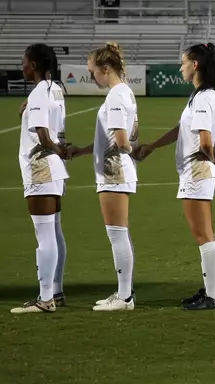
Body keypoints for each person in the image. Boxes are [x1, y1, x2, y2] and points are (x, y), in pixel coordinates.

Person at [133, 43, 215, 310]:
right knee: (204, 234)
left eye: (183, 62)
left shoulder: (204, 97)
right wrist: (152, 146)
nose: (180, 67)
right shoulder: (201, 96)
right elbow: (182, 130)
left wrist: (211, 158)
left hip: (197, 173)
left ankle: (212, 295)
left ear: (195, 65)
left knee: (203, 234)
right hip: (195, 173)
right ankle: (210, 290)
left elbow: (206, 140)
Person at [68, 42, 139, 311]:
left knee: (117, 234)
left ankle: (124, 297)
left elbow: (122, 141)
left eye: (92, 71)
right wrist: (84, 150)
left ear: (105, 68)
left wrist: (133, 152)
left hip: (114, 172)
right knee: (119, 234)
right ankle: (124, 293)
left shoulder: (116, 96)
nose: (90, 76)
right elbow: (115, 139)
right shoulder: (124, 93)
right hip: (116, 169)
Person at [11, 44, 69, 314]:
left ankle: (45, 299)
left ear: (33, 65)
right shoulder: (56, 88)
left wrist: (59, 150)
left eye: (24, 61)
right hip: (53, 171)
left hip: (39, 168)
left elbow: (44, 137)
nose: (21, 66)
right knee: (54, 232)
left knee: (44, 234)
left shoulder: (38, 94)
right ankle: (55, 291)